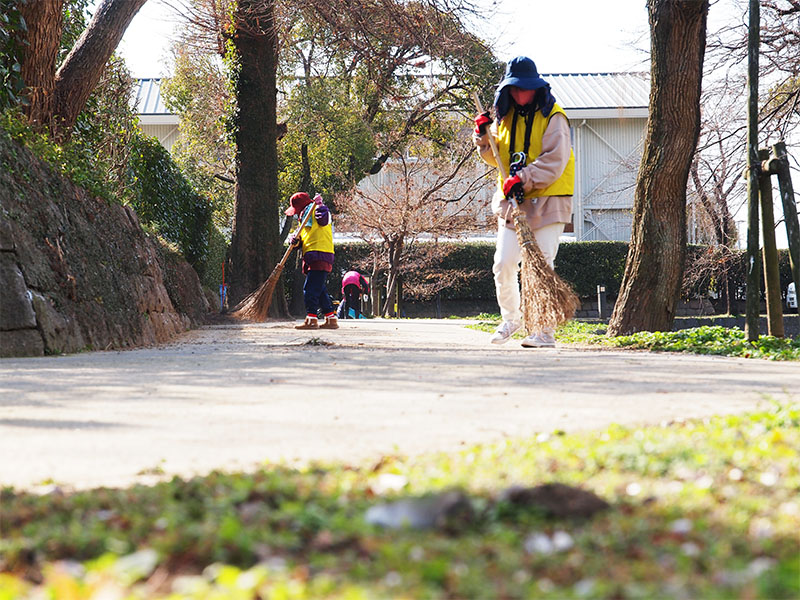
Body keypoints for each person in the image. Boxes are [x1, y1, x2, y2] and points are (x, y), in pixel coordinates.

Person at [473, 56, 575, 348]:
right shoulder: (505, 118)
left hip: (548, 199)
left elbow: (555, 160)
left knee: (540, 264)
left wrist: (524, 178)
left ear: (537, 88)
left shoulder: (554, 117)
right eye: (515, 89)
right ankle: (512, 319)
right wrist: (484, 137)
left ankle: (543, 331)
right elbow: (498, 159)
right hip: (514, 205)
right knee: (503, 263)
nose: (520, 94)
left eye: (525, 88)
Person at [286, 192, 338, 330]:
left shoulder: (316, 210)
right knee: (319, 289)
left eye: (296, 210)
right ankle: (331, 318)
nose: (296, 214)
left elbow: (323, 218)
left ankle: (311, 319)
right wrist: (295, 241)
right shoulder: (304, 219)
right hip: (315, 255)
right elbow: (302, 240)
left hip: (319, 253)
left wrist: (320, 206)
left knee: (309, 289)